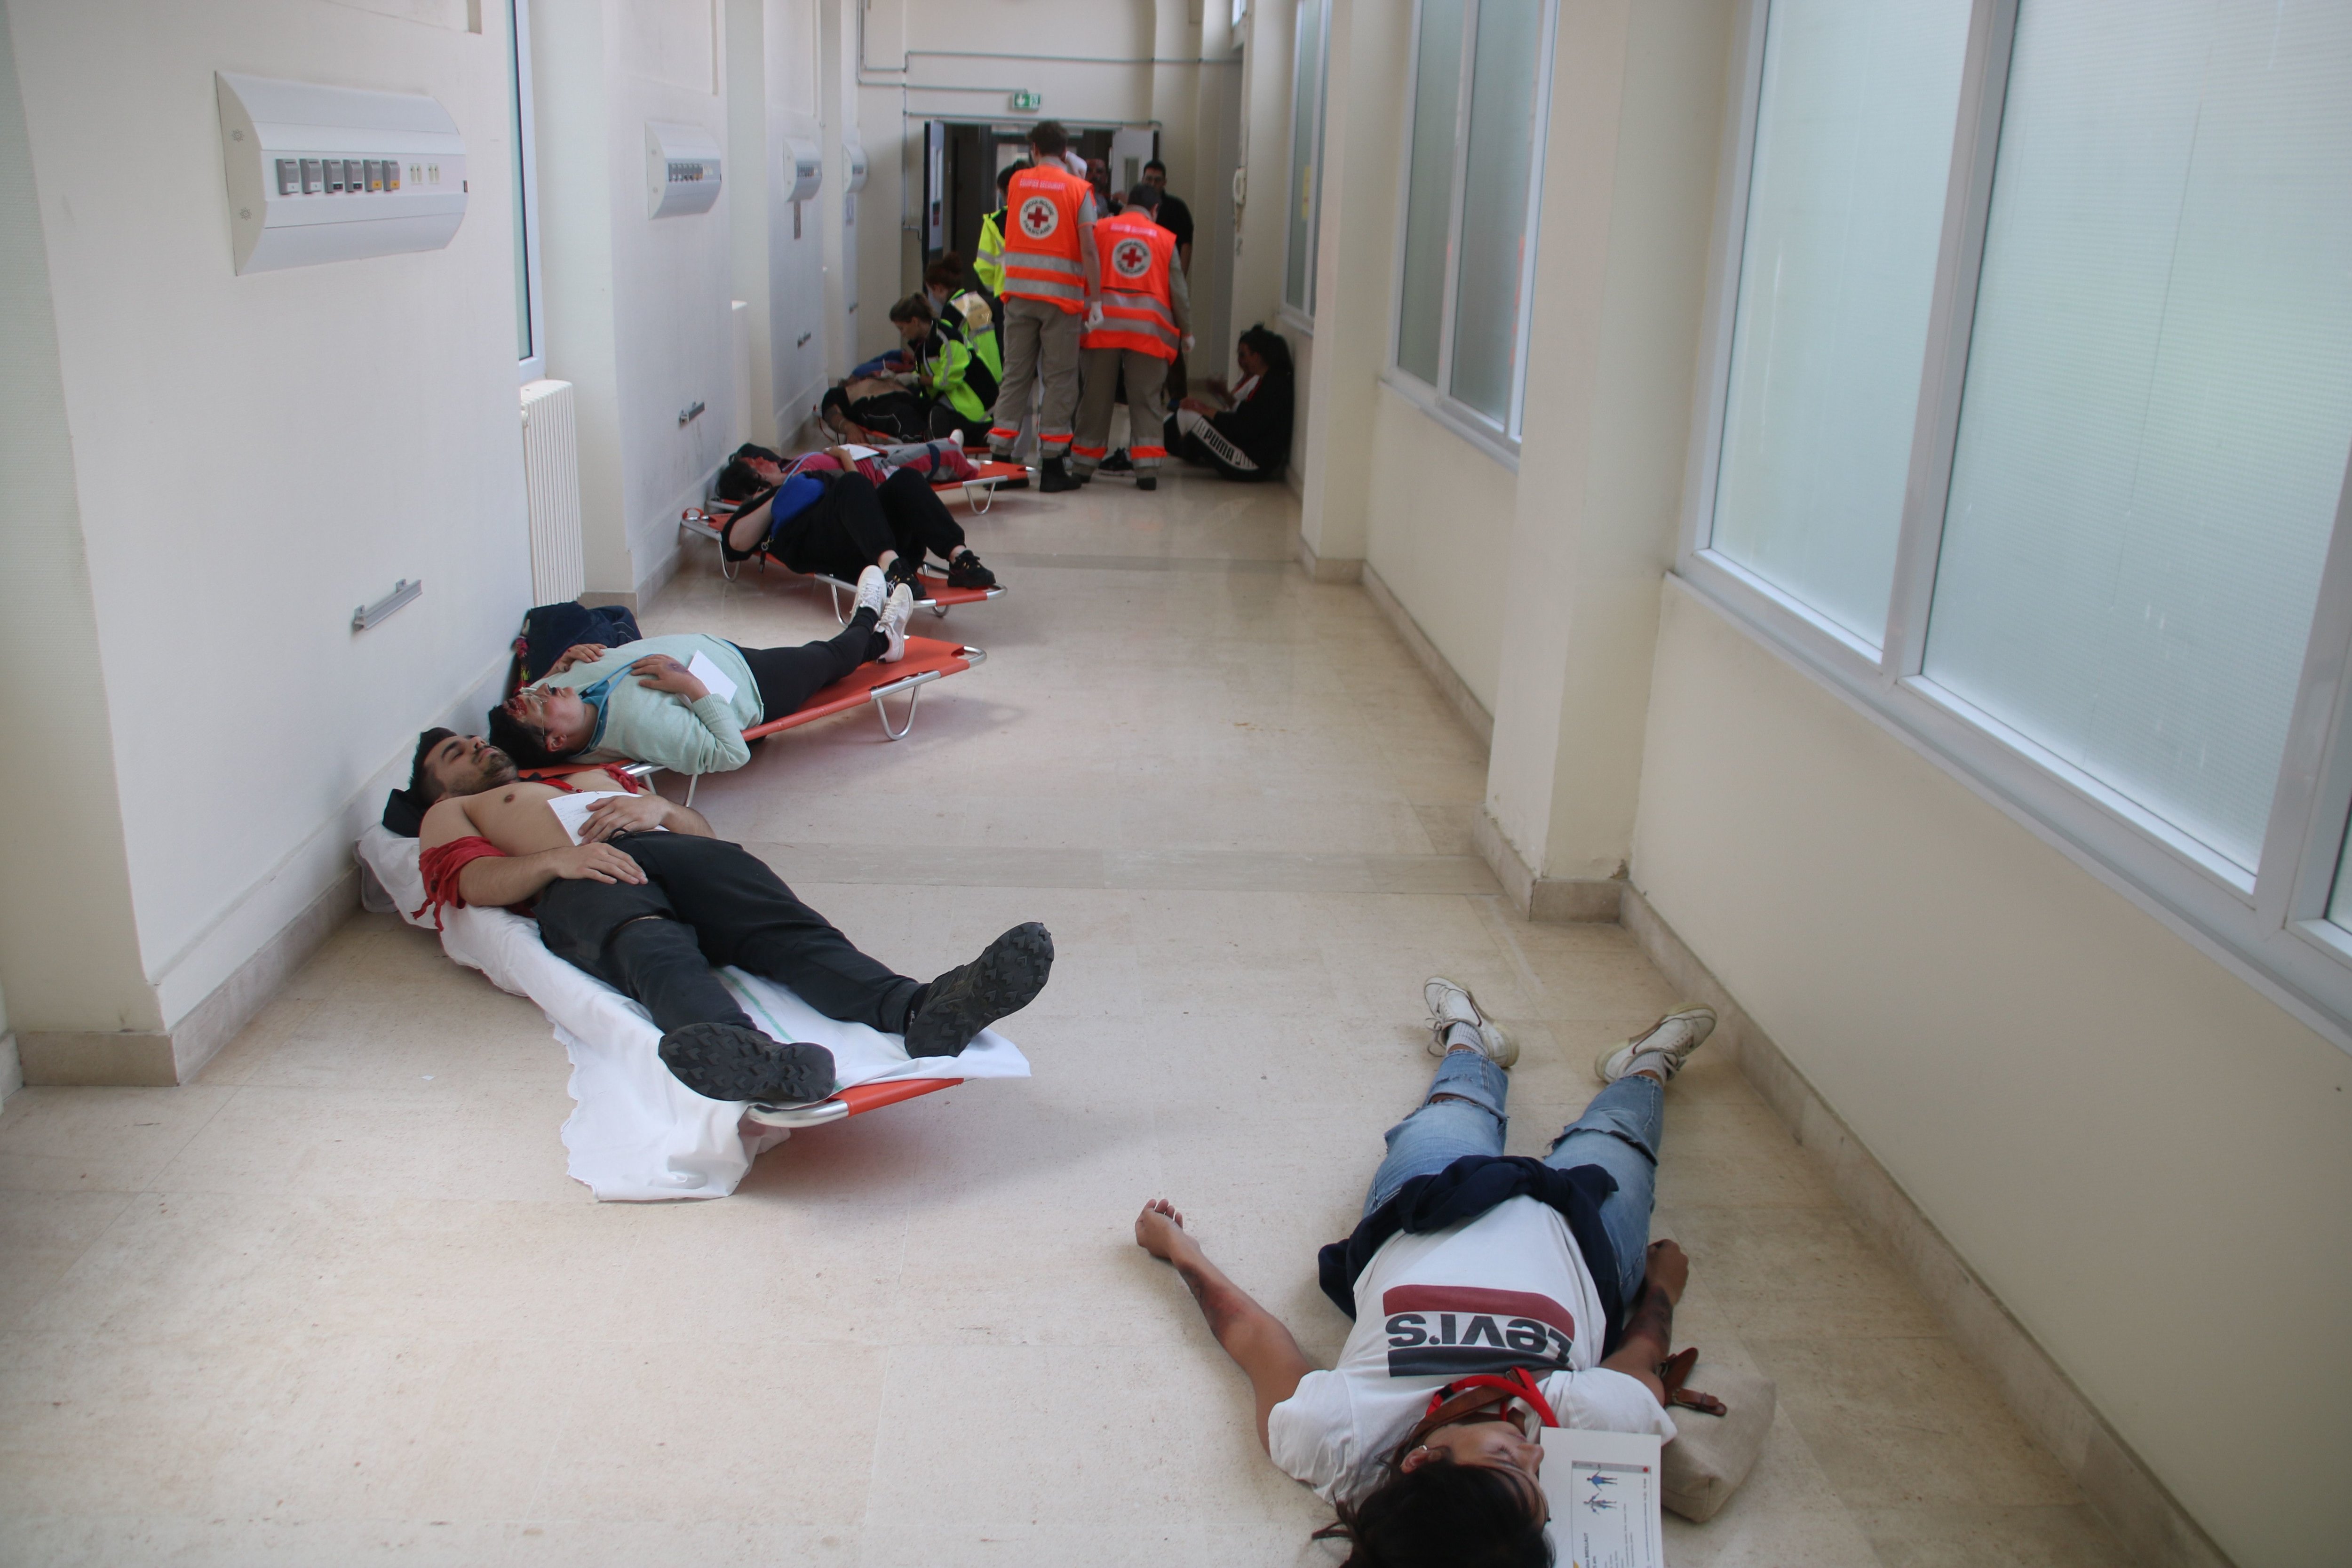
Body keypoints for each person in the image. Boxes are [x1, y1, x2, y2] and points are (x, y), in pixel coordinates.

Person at [1135, 981, 1713, 1558]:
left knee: (1456, 1110)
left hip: (1432, 1205)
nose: (1539, 1456)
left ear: (1419, 1460)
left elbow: (1254, 1338)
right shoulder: (1573, 1430)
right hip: (1586, 1233)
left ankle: (1470, 1040)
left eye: (1509, 1460)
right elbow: (1637, 1374)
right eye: (1539, 1489)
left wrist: (1177, 1250)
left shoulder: (1337, 1442)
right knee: (1618, 1137)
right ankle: (1646, 1064)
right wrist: (1661, 1289)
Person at [400, 730, 1056, 1103]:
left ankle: (919, 1011)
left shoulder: (593, 777)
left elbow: (702, 832)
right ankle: (750, 1056)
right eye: (454, 755)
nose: (475, 748)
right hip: (581, 877)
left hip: (673, 849)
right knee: (648, 942)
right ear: (438, 788)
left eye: (472, 739)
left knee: (784, 928)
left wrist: (660, 812)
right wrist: (555, 863)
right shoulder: (458, 812)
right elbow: (469, 882)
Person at [488, 573, 914, 775]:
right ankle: (872, 622)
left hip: (723, 654)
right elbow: (733, 753)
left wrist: (559, 663)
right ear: (557, 741)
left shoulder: (560, 690)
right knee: (831, 657)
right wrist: (691, 687)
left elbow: (538, 686)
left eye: (538, 690)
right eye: (542, 702)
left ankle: (881, 638)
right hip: (755, 687)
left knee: (820, 657)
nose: (547, 690)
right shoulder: (643, 728)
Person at [987, 121, 1102, 493]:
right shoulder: (1079, 189)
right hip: (1061, 300)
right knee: (1059, 380)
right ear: (1067, 152)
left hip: (1019, 296)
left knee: (1016, 376)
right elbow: (1088, 247)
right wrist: (1096, 299)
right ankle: (1051, 466)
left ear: (1033, 148)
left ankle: (1002, 462)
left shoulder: (1017, 183)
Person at [715, 450, 1000, 595]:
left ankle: (960, 558)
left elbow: (862, 490)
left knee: (906, 479)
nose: (765, 459)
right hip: (838, 552)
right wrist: (774, 496)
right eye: (756, 464)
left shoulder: (806, 474)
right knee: (851, 484)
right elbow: (734, 543)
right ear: (752, 481)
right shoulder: (761, 506)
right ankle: (892, 570)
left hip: (871, 537)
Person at [1070, 186, 1190, 491]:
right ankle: (1147, 471)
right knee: (1146, 399)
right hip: (1148, 332)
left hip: (1102, 326)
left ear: (1126, 206)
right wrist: (1186, 332)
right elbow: (1179, 293)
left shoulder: (1100, 230)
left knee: (1095, 397)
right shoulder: (1165, 239)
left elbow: (1081, 272)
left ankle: (1083, 465)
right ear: (1155, 210)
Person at [1166, 324, 1294, 481]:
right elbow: (1246, 417)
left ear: (1258, 356)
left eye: (1243, 355)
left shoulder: (1274, 386)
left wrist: (1205, 410)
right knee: (1185, 416)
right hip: (1250, 456)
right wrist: (1206, 409)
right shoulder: (1269, 381)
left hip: (1250, 464)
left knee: (1188, 416)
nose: (1240, 361)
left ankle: (1142, 452)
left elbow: (1244, 427)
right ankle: (1145, 449)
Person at [890, 293, 999, 434]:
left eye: (902, 328)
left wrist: (915, 379)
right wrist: (902, 378)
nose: (902, 334)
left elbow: (948, 381)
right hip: (957, 402)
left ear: (915, 321)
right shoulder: (925, 343)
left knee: (924, 422)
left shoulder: (947, 339)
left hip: (975, 410)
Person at [1140, 159, 1194, 400]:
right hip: (1140, 286)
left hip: (1167, 285)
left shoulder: (1176, 208)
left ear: (1165, 183)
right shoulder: (1136, 207)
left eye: (1157, 180)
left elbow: (1186, 245)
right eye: (1148, 179)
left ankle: (1178, 398)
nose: (1152, 183)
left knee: (1172, 345)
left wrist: (1178, 281)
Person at [973, 161, 1022, 299]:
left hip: (1005, 294)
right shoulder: (1048, 219)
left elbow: (985, 268)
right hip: (1042, 297)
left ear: (1008, 189)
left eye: (1001, 192)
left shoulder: (994, 222)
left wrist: (995, 286)